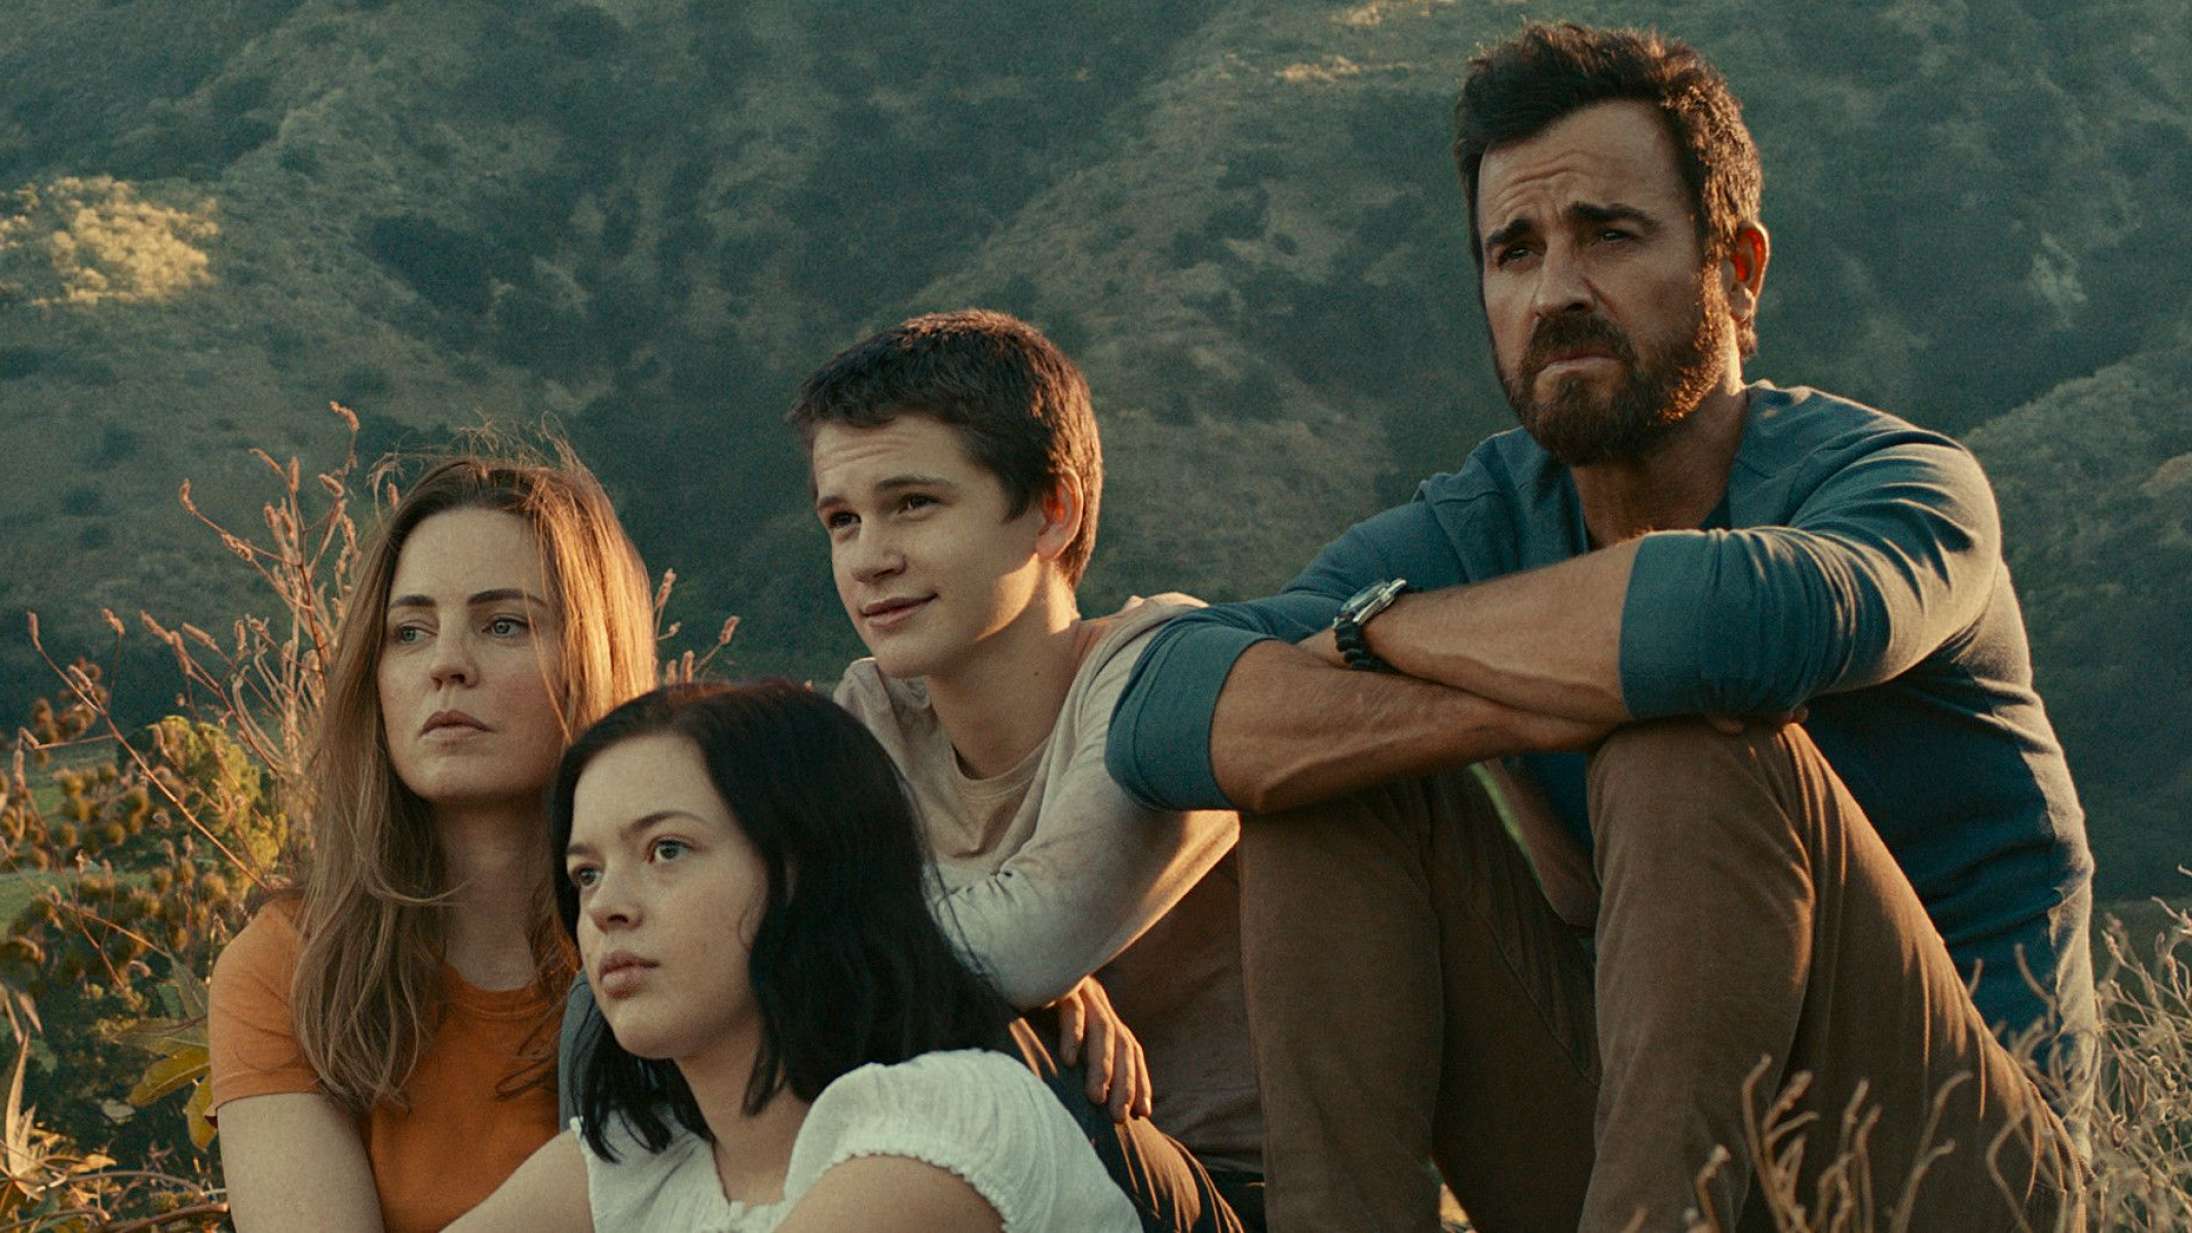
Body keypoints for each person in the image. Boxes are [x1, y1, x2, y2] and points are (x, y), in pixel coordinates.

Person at [1107, 22, 2093, 1233]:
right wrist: (1489, 698)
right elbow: (1156, 707)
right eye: (1513, 251)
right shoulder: (1480, 521)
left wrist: (1380, 635)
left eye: (1608, 235)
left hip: (1943, 1175)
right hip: (1637, 1133)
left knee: (1684, 744)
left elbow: (1714, 633)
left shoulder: (1898, 487)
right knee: (1319, 776)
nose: (1556, 291)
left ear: (1737, 268)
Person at [796, 310, 1265, 1228]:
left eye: (913, 504)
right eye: (842, 520)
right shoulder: (873, 718)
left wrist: (1019, 987)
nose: (869, 558)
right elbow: (751, 931)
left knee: (996, 1042)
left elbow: (1024, 947)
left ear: (1054, 511)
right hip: (968, 1175)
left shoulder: (1162, 670)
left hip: (1213, 1196)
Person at [448, 681, 1142, 1232]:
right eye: (587, 873)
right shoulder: (636, 1164)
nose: (605, 907)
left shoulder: (948, 1118)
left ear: (805, 870)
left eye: (667, 849)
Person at [209, 453, 659, 1233]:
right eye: (410, 631)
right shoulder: (293, 967)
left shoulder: (694, 930)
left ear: (596, 653)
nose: (447, 664)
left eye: (504, 624)